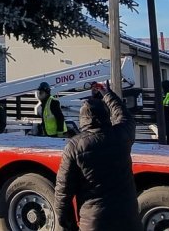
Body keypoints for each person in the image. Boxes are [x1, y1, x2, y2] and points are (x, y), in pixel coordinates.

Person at [55, 82, 140, 231]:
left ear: (83, 119)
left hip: (94, 222)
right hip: (128, 219)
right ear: (106, 115)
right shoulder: (122, 135)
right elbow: (123, 114)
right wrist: (107, 94)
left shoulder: (75, 146)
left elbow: (63, 195)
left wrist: (69, 226)